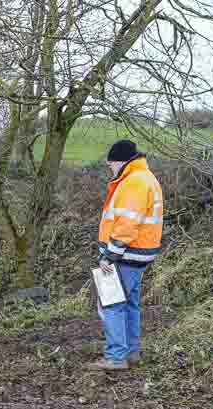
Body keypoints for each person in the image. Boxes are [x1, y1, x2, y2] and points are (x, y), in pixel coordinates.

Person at [91, 140, 163, 371]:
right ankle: (131, 352)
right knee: (130, 305)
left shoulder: (133, 182)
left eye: (111, 165)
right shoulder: (146, 178)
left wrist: (109, 255)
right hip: (137, 255)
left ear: (121, 162)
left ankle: (115, 357)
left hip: (123, 255)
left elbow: (126, 224)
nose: (110, 169)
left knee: (111, 305)